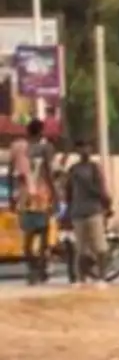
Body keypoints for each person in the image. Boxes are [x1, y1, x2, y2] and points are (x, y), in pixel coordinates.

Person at [63, 139, 112, 283]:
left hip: (93, 211)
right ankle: (82, 278)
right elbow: (68, 192)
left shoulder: (94, 168)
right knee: (81, 250)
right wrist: (67, 212)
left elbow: (100, 190)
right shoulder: (73, 170)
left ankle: (102, 277)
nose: (84, 150)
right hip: (78, 213)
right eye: (81, 147)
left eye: (87, 147)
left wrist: (106, 205)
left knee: (100, 248)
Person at [17, 118, 56, 283]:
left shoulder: (21, 149)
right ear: (41, 131)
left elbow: (19, 177)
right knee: (43, 238)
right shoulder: (46, 149)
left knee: (28, 239)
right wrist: (55, 194)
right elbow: (49, 173)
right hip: (42, 196)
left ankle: (34, 270)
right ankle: (40, 269)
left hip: (27, 198)